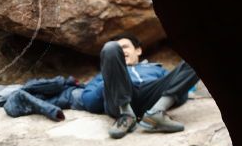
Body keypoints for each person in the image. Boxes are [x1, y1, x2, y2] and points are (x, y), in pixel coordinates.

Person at [72, 33, 200, 139]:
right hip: (119, 101)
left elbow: (180, 86)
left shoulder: (156, 68)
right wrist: (111, 82)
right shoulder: (105, 75)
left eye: (125, 47)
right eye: (118, 50)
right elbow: (89, 100)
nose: (121, 52)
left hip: (153, 96)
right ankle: (126, 115)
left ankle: (157, 113)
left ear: (138, 50)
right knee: (109, 47)